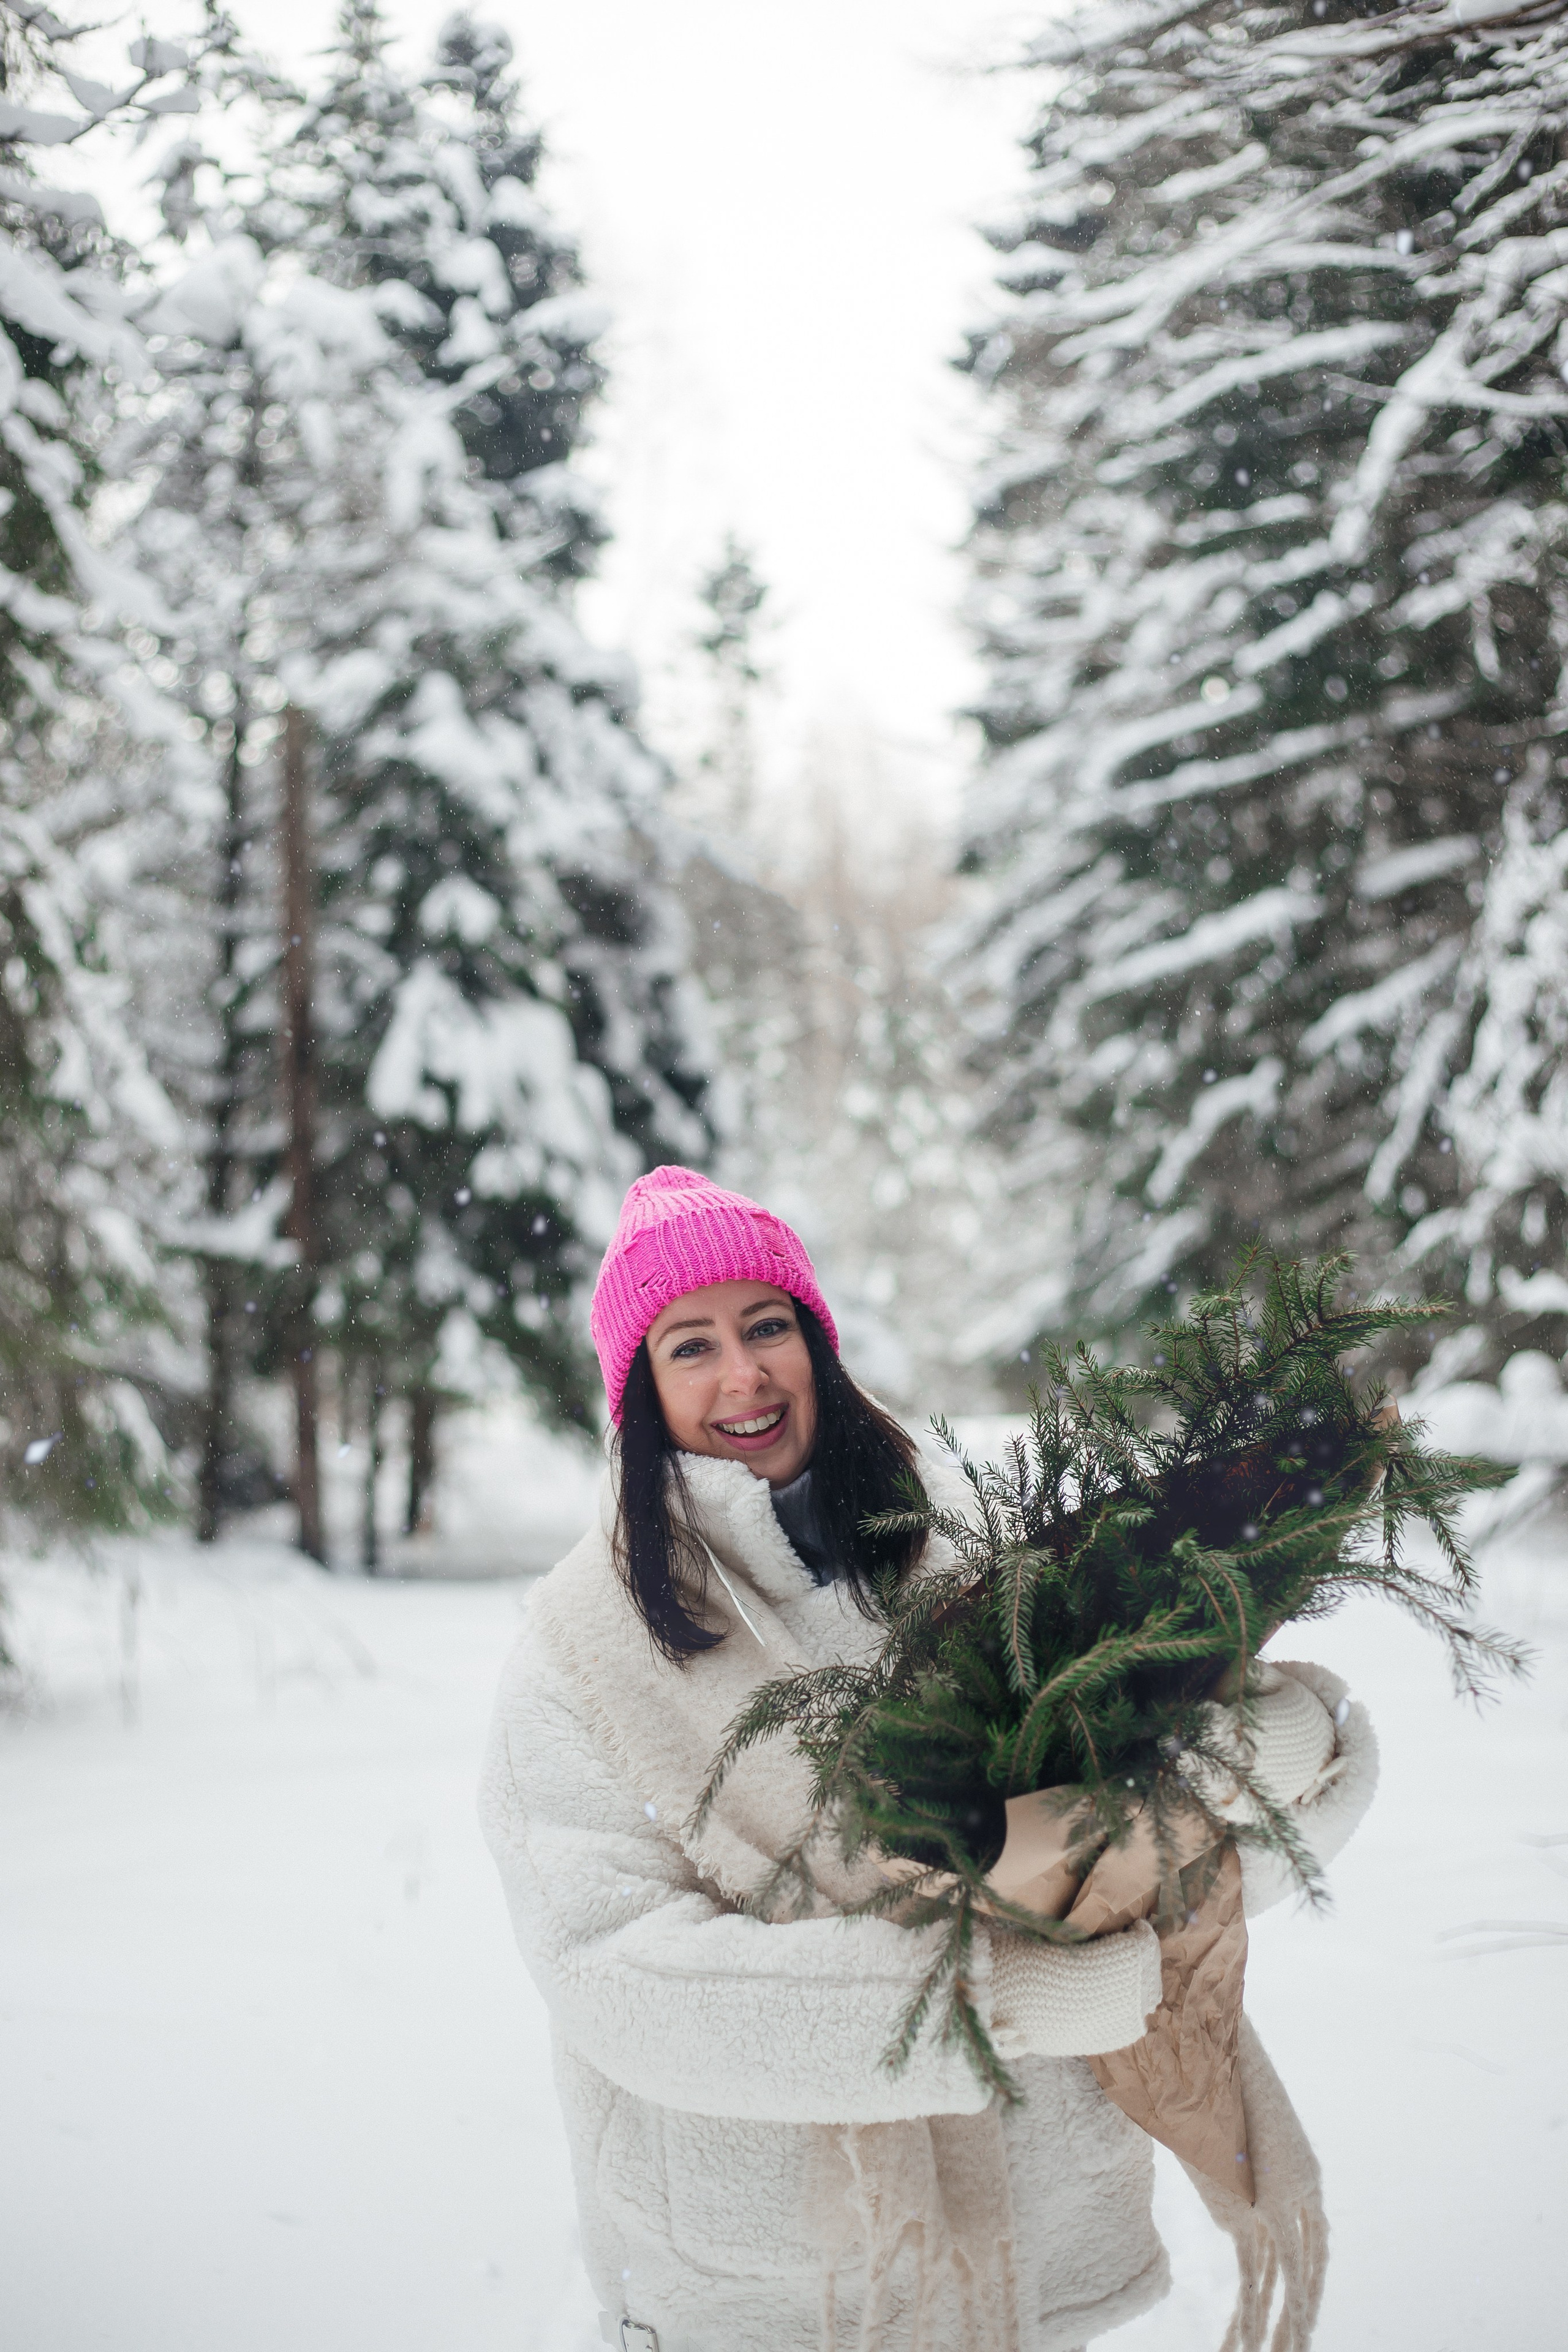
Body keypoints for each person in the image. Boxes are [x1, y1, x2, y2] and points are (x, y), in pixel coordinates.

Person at [480, 1168, 1378, 2352]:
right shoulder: (580, 1645)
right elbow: (621, 1979)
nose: (743, 1374)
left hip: (1031, 2258)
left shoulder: (974, 1541)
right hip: (781, 2293)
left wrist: (1273, 1752)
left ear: (817, 1343)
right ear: (637, 1392)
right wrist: (995, 2000)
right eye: (689, 1346)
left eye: (767, 1326)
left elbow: (1153, 1865)